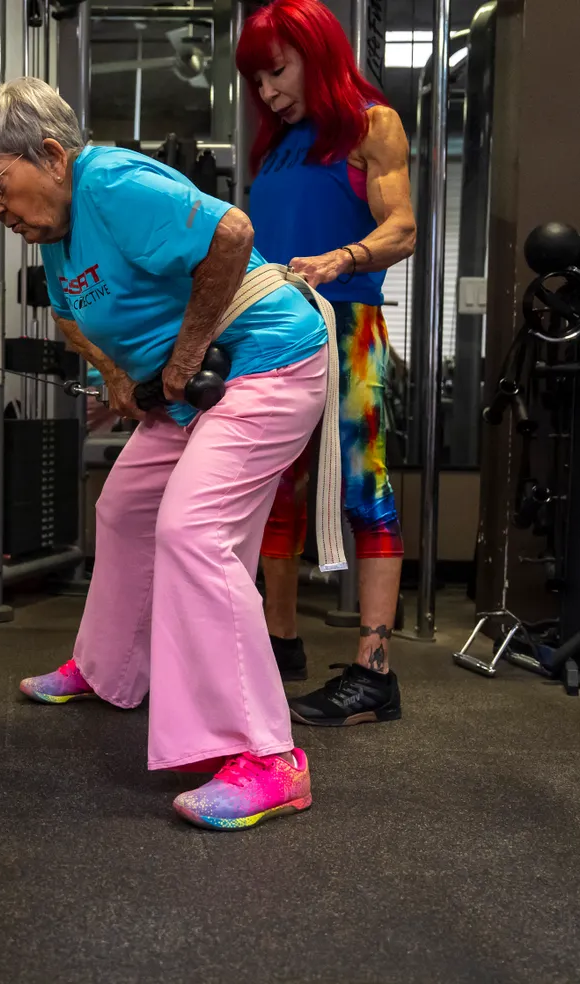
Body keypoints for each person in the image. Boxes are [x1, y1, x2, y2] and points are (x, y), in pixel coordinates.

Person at [0, 76, 343, 830]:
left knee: (193, 533)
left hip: (268, 359)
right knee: (126, 508)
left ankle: (269, 759)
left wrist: (185, 352)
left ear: (50, 154)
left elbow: (231, 235)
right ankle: (110, 672)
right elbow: (77, 322)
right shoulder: (58, 230)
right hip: (187, 387)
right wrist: (119, 381)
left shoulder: (110, 181)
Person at [236, 0, 416, 726]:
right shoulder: (277, 142)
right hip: (275, 332)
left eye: (276, 71)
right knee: (271, 489)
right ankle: (281, 644)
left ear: (317, 51)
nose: (267, 92)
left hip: (348, 327)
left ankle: (374, 672)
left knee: (364, 489)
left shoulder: (371, 124)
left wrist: (342, 259)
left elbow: (401, 226)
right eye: (256, 80)